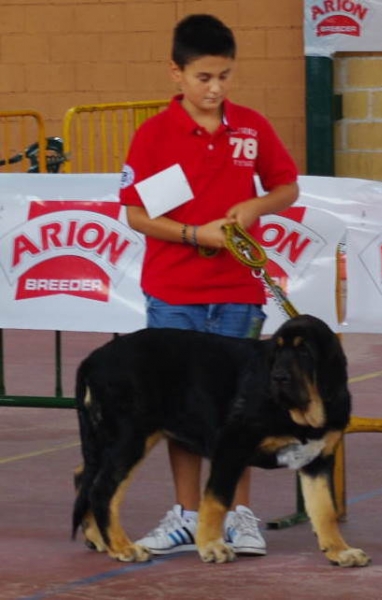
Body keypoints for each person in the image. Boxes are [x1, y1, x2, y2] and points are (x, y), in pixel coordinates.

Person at [119, 13, 299, 557]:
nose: (216, 88)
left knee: (242, 405)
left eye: (225, 76)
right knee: (178, 406)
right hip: (173, 293)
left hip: (239, 291)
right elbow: (136, 215)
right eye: (204, 77)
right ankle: (188, 514)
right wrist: (197, 234)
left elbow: (287, 186)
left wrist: (255, 206)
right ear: (175, 73)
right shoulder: (153, 134)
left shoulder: (252, 127)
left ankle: (238, 514)